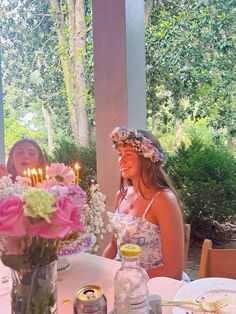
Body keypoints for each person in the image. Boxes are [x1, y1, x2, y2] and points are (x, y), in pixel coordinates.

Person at [103, 126, 185, 280]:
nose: (121, 160)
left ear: (147, 159)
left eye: (128, 154)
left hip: (155, 286)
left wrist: (129, 280)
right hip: (122, 281)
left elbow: (173, 272)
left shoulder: (164, 200)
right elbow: (114, 246)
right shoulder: (120, 196)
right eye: (120, 154)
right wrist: (100, 270)